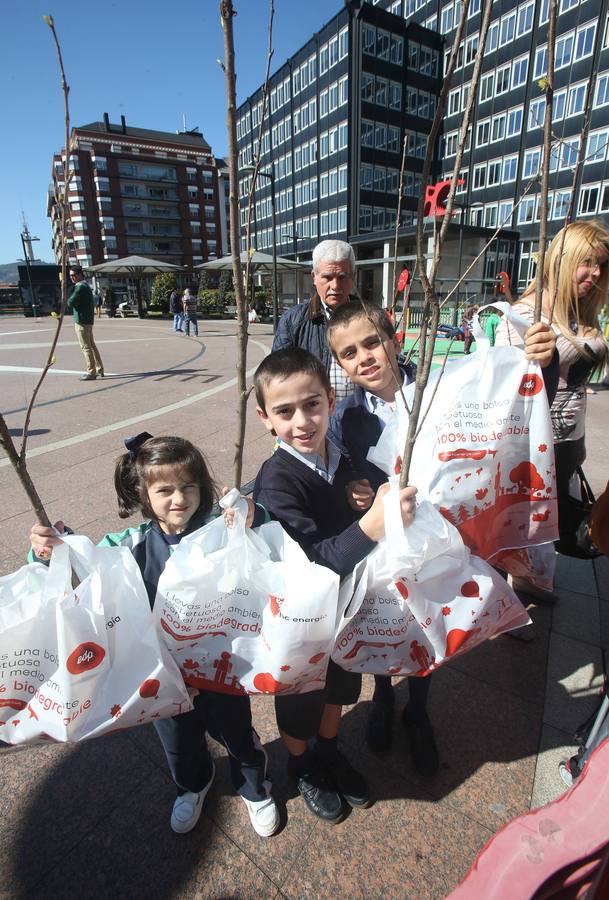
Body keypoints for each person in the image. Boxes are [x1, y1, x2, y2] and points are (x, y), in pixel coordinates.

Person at [326, 301, 559, 764]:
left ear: (394, 339)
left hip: (442, 538)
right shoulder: (347, 417)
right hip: (382, 541)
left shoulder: (442, 387)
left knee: (426, 619)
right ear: (339, 364)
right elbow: (337, 469)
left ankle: (418, 709)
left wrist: (541, 364)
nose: (365, 357)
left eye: (372, 342)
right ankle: (383, 695)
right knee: (386, 616)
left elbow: (515, 399)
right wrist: (350, 488)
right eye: (349, 353)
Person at [29, 434, 279, 838]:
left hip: (222, 668)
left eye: (187, 487)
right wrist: (49, 549)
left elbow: (264, 525)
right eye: (164, 490)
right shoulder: (133, 544)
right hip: (164, 674)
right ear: (143, 493)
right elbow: (82, 563)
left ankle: (253, 786)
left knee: (236, 732)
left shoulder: (220, 527)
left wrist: (250, 512)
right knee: (178, 741)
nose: (178, 498)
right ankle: (193, 785)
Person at [253, 348, 417, 823]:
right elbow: (313, 562)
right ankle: (301, 762)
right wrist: (371, 525)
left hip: (345, 614)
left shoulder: (339, 455)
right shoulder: (276, 481)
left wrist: (361, 494)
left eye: (312, 405)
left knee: (341, 688)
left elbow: (350, 499)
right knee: (300, 700)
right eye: (285, 412)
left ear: (329, 400)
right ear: (266, 419)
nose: (302, 421)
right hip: (303, 622)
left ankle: (329, 749)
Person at [496, 221, 609, 594]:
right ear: (561, 261)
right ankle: (509, 603)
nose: (594, 273)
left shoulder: (581, 310)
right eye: (587, 261)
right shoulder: (525, 316)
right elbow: (501, 392)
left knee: (548, 526)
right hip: (533, 448)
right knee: (520, 527)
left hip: (569, 442)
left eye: (602, 265)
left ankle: (531, 584)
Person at [272, 239, 358, 401]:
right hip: (314, 419)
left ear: (353, 276)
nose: (335, 286)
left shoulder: (368, 316)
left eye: (342, 277)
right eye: (327, 277)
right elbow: (278, 375)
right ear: (314, 277)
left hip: (361, 416)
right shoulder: (293, 320)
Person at [67, 265, 104, 381]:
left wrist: (68, 298)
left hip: (82, 321)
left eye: (73, 275)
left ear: (79, 275)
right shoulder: (85, 286)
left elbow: (70, 302)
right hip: (87, 320)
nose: (72, 278)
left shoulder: (80, 287)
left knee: (86, 347)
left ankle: (91, 371)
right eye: (70, 276)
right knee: (91, 345)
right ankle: (99, 369)